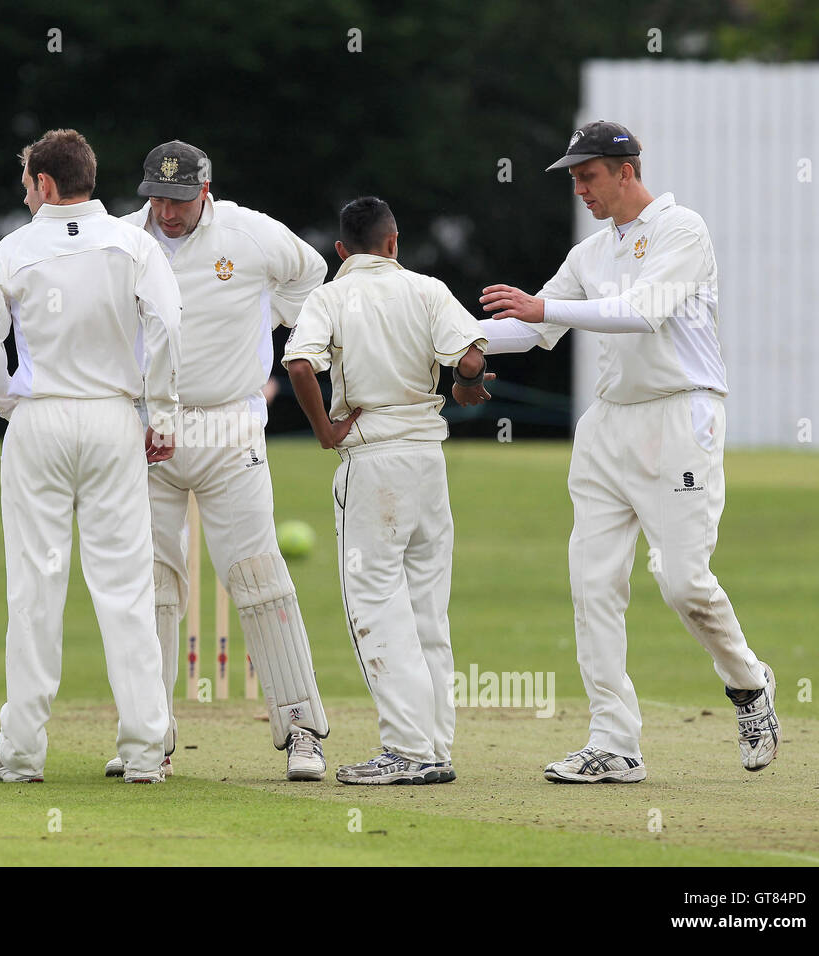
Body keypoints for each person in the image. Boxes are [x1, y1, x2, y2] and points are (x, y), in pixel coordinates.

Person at [477, 120, 779, 782]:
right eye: (575, 178)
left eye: (588, 176)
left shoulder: (682, 231)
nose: (580, 188)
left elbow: (643, 311)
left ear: (626, 171)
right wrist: (442, 337)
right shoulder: (591, 253)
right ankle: (614, 742)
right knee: (593, 582)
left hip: (681, 417)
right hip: (608, 426)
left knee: (680, 581)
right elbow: (532, 331)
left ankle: (749, 683)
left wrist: (545, 310)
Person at [108, 140, 332, 782]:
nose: (167, 212)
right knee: (149, 583)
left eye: (179, 200)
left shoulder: (250, 232)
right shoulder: (122, 239)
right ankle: (149, 737)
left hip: (230, 427)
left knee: (257, 575)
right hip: (147, 432)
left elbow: (313, 277)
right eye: (157, 196)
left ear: (205, 190)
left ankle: (302, 731)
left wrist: (268, 325)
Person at [0, 128, 182, 784]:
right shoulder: (134, 243)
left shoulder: (16, 249)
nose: (25, 195)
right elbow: (168, 325)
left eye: (27, 184)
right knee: (124, 586)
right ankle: (145, 750)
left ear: (47, 185)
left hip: (42, 419)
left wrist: (9, 403)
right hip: (116, 418)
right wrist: (162, 411)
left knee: (36, 586)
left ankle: (22, 752)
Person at [283, 197, 487, 784]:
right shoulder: (427, 289)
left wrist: (326, 431)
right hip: (429, 460)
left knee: (374, 604)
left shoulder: (331, 296)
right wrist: (465, 385)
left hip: (373, 461)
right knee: (427, 611)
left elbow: (300, 365)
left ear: (341, 251)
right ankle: (435, 748)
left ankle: (407, 751)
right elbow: (470, 354)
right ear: (393, 243)